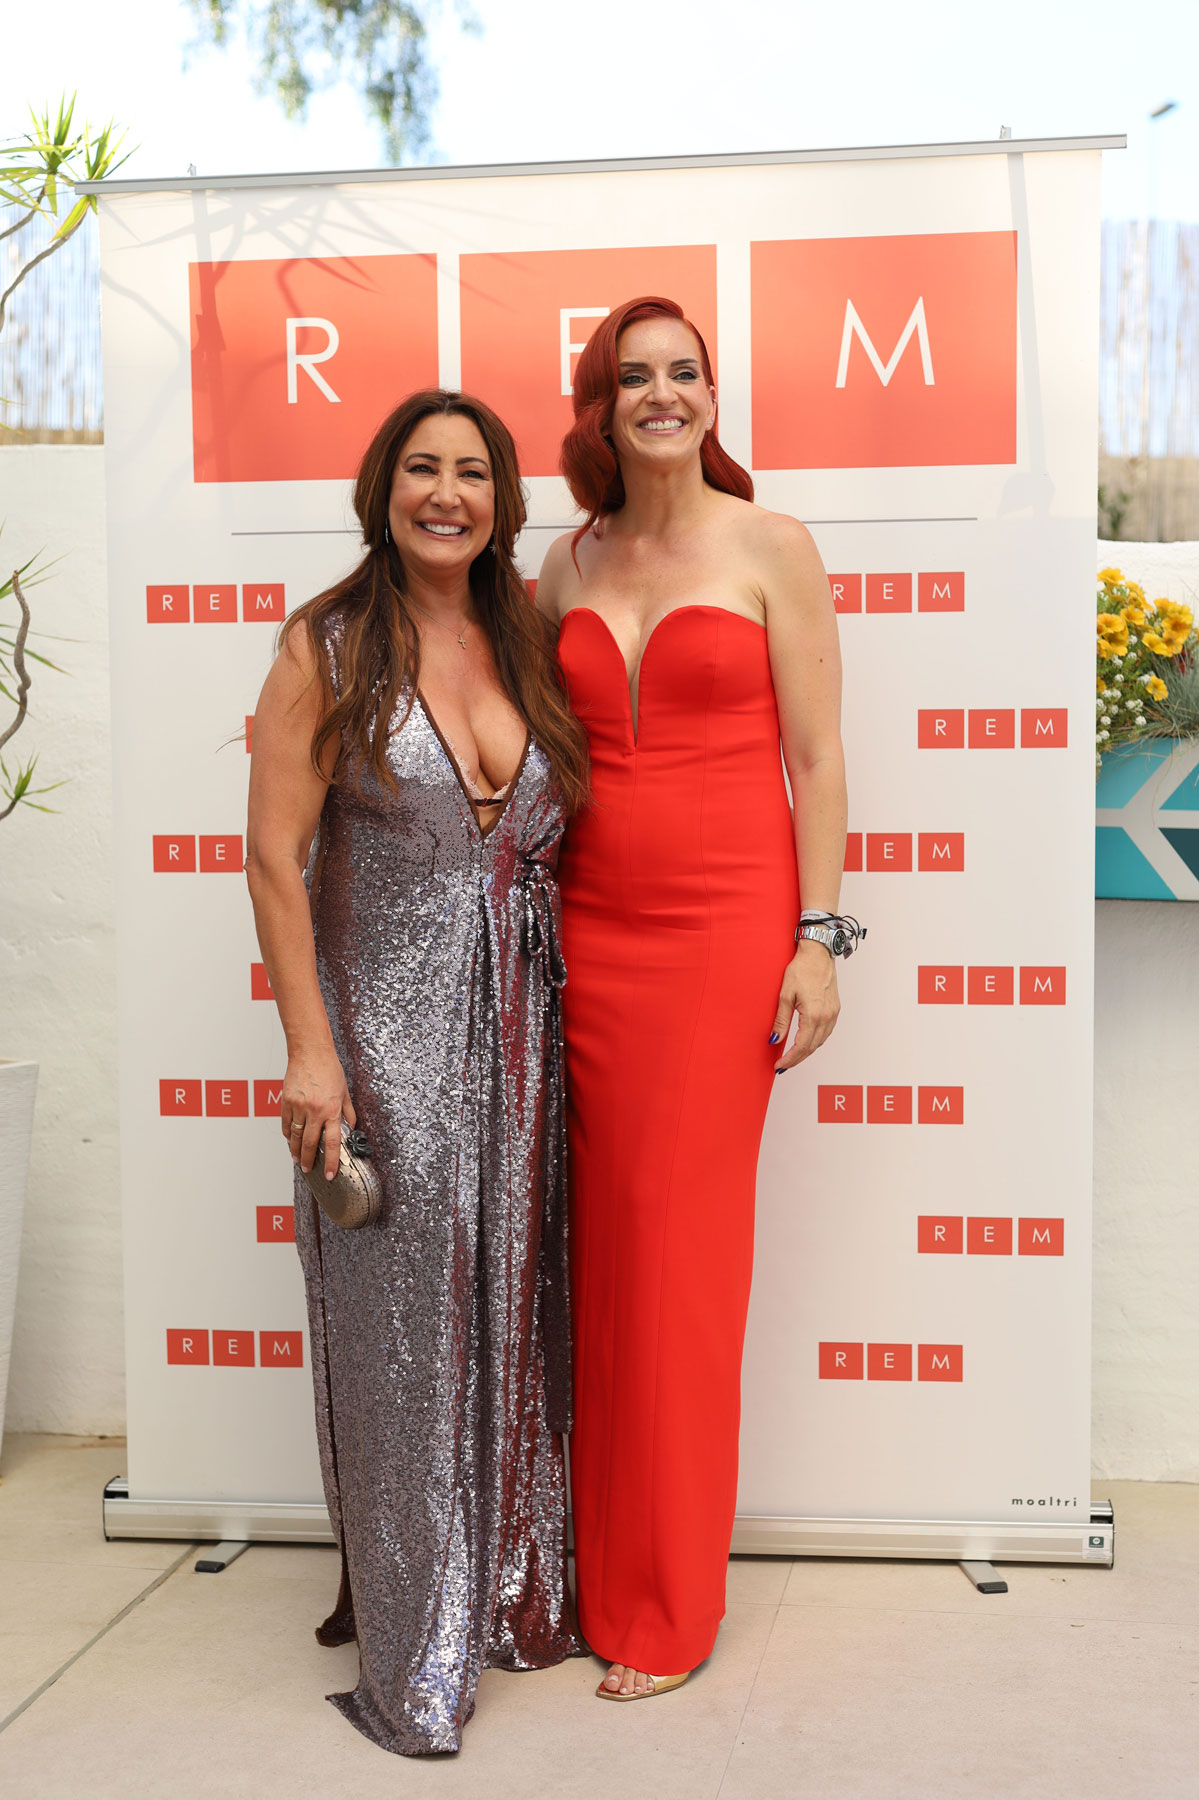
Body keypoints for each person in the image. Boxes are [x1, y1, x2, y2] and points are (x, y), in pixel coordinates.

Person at [245, 390, 589, 1756]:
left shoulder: (530, 639)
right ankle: (416, 1644)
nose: (447, 494)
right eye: (421, 470)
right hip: (382, 1048)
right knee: (404, 1344)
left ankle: (505, 1588)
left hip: (526, 1035)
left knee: (516, 1309)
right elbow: (274, 859)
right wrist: (311, 1051)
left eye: (473, 473)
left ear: (503, 502)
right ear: (381, 492)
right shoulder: (326, 644)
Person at [536, 296, 854, 1702]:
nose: (662, 394)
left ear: (712, 399)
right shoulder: (565, 563)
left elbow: (818, 758)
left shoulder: (773, 545)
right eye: (634, 376)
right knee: (607, 1264)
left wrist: (818, 940)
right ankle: (601, 1578)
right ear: (600, 407)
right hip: (583, 939)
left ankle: (667, 1609)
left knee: (683, 1271)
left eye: (685, 372)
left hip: (725, 940)